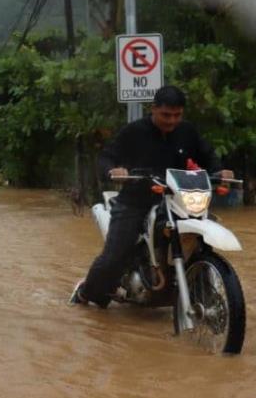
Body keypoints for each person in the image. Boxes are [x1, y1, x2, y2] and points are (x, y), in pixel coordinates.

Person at [71, 86, 234, 308]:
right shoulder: (133, 132)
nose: (172, 121)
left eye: (177, 115)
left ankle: (200, 289)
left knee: (200, 240)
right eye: (166, 115)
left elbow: (208, 156)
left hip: (177, 201)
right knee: (115, 256)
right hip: (135, 201)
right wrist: (113, 170)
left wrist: (220, 171)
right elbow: (106, 157)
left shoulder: (187, 132)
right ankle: (85, 293)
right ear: (153, 109)